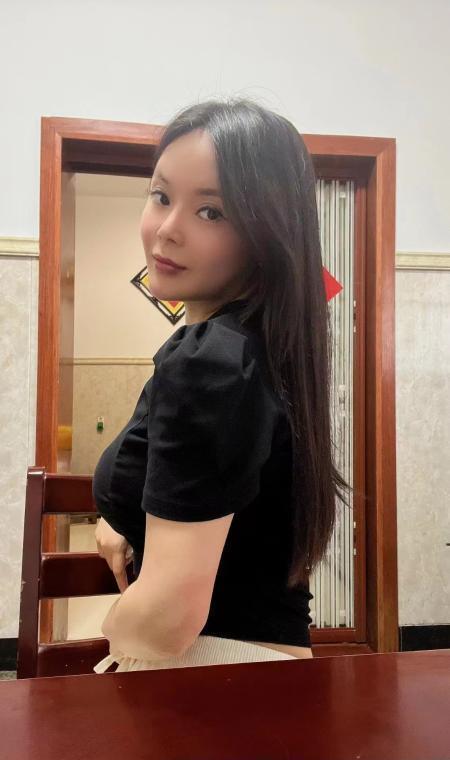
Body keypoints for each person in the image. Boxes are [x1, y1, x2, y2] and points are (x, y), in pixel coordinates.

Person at [92, 97, 351, 673]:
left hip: (215, 673)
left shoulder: (209, 363)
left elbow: (167, 619)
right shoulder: (260, 349)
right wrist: (125, 522)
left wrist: (113, 629)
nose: (167, 230)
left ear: (266, 234)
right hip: (267, 670)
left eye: (211, 212)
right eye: (161, 196)